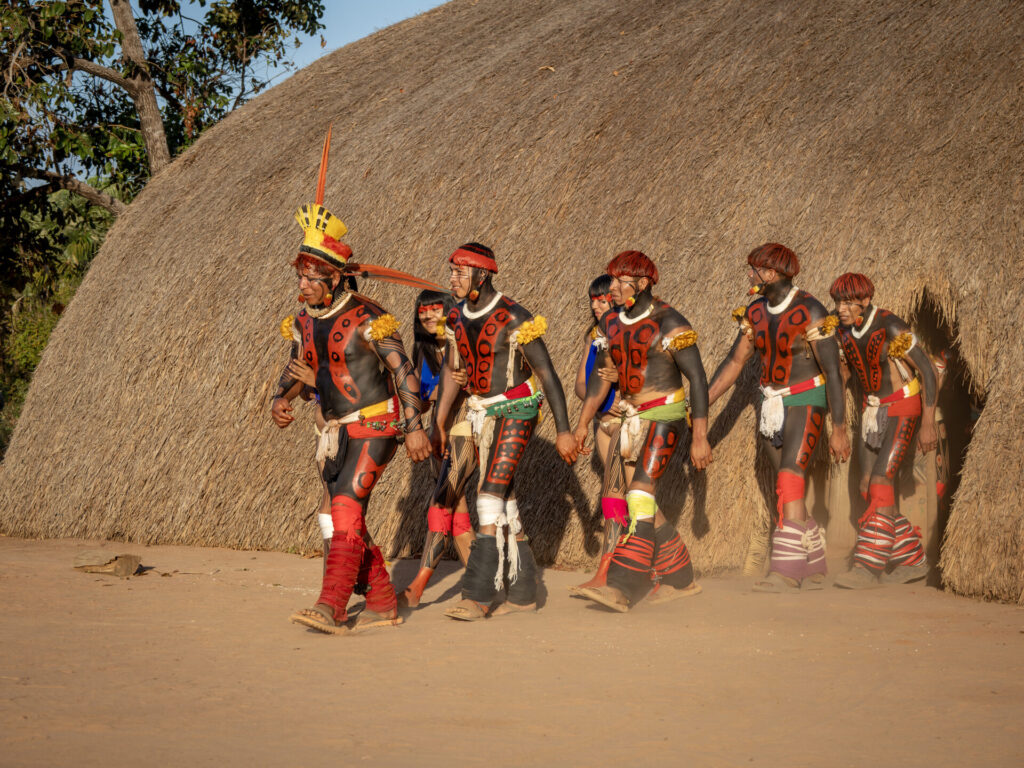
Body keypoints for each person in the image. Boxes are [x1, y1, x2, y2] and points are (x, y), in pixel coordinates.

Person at [271, 128, 434, 634]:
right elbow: (300, 365)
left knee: (344, 507)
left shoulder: (370, 316)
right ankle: (383, 601)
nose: (301, 286)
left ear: (335, 278)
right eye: (299, 277)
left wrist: (413, 427)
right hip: (334, 431)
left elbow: (403, 372)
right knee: (338, 519)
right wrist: (283, 396)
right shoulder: (302, 320)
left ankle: (332, 606)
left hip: (376, 425)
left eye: (310, 278)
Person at [432, 242, 578, 620]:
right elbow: (453, 372)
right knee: (506, 505)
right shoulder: (456, 317)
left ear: (482, 276)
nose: (452, 279)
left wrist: (563, 431)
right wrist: (439, 421)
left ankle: (478, 593)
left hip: (517, 408)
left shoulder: (515, 317)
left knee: (488, 496)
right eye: (451, 272)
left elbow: (547, 375)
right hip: (480, 411)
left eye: (460, 273)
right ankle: (525, 591)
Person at [569, 250, 712, 612]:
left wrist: (699, 436)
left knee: (638, 497)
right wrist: (583, 424)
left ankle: (620, 587)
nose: (612, 288)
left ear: (643, 283)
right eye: (612, 279)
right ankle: (681, 578)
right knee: (642, 498)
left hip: (666, 414)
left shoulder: (670, 322)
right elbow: (601, 380)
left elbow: (697, 378)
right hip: (632, 417)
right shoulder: (612, 325)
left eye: (620, 281)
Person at [708, 243, 850, 592]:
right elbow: (734, 363)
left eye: (754, 270)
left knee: (789, 476)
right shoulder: (754, 313)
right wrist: (701, 404)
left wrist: (840, 428)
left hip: (807, 398)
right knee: (788, 486)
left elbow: (833, 372)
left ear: (770, 274)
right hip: (771, 402)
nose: (750, 275)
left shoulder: (811, 310)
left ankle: (786, 571)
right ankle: (815, 562)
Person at [829, 273, 937, 588]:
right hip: (873, 411)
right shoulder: (843, 331)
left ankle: (867, 566)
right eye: (838, 301)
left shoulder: (890, 325)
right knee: (866, 486)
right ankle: (913, 560)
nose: (841, 308)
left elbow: (927, 370)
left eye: (848, 302)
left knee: (880, 480)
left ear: (865, 300)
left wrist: (928, 423)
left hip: (904, 407)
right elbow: (844, 373)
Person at [398, 289, 476, 606]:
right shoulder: (424, 350)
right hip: (438, 433)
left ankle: (416, 587)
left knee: (441, 502)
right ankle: (481, 583)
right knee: (457, 511)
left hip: (469, 426)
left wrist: (468, 381)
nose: (428, 315)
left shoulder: (467, 343)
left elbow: (492, 384)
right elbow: (419, 396)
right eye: (422, 311)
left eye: (434, 309)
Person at [568, 275, 624, 594]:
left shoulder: (630, 331)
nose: (596, 304)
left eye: (603, 299)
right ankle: (617, 567)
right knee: (615, 492)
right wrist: (602, 400)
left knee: (615, 491)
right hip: (602, 421)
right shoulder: (593, 337)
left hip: (627, 421)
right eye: (593, 299)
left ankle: (610, 571)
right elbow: (580, 384)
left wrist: (623, 395)